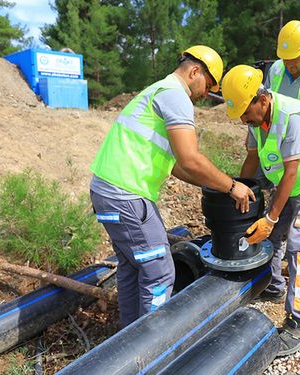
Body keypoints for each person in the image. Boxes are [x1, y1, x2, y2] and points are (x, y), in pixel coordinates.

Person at [89, 46, 255, 329]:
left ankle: (127, 344)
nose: (206, 94)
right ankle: (154, 352)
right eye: (209, 85)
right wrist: (231, 187)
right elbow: (190, 159)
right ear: (195, 71)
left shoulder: (157, 91)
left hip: (106, 192)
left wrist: (215, 183)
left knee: (133, 268)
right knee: (160, 273)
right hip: (126, 196)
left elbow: (177, 166)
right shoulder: (176, 96)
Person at [221, 65, 300, 356]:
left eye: (246, 113)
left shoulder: (292, 117)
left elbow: (291, 173)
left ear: (262, 100)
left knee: (299, 243)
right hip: (289, 182)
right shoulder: (255, 121)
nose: (244, 120)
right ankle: (272, 287)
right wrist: (240, 189)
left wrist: (272, 217)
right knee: (269, 238)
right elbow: (252, 160)